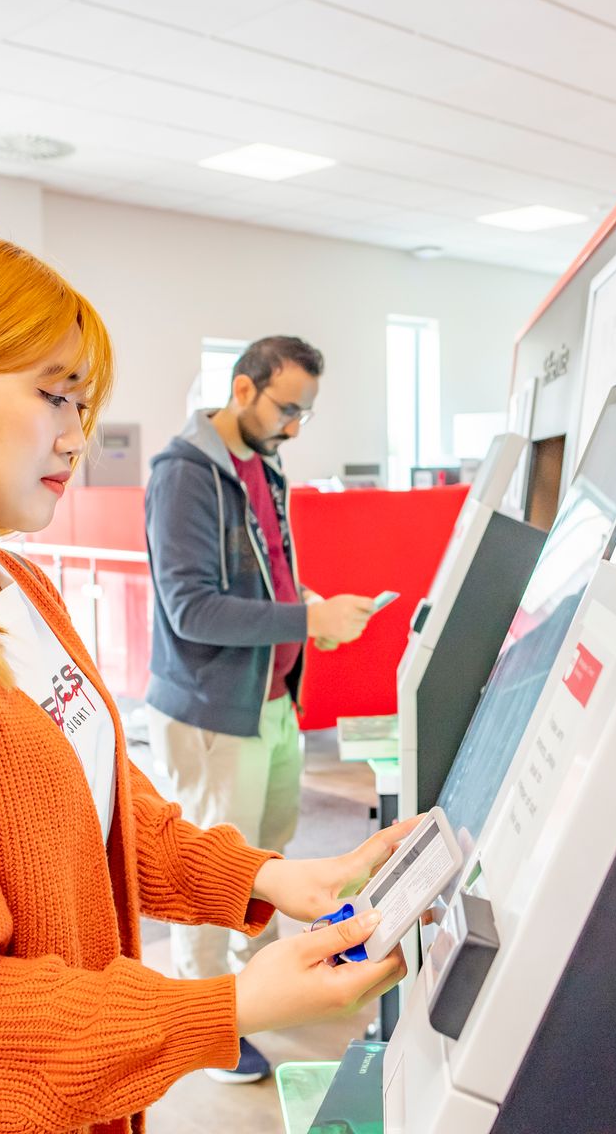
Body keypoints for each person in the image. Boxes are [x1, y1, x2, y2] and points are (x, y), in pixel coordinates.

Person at [0, 228, 409, 1134]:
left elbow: (102, 810)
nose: (78, 434)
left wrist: (268, 877)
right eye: (55, 395)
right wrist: (227, 1008)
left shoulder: (24, 590)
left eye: (83, 400)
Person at [144, 335, 375, 1083]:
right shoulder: (183, 475)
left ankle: (257, 997)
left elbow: (264, 580)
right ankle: (202, 1025)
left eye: (306, 413)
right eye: (288, 409)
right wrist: (308, 622)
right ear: (243, 390)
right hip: (213, 713)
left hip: (272, 702)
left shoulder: (263, 465)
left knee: (264, 861)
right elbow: (192, 610)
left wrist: (309, 610)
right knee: (213, 873)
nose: (296, 429)